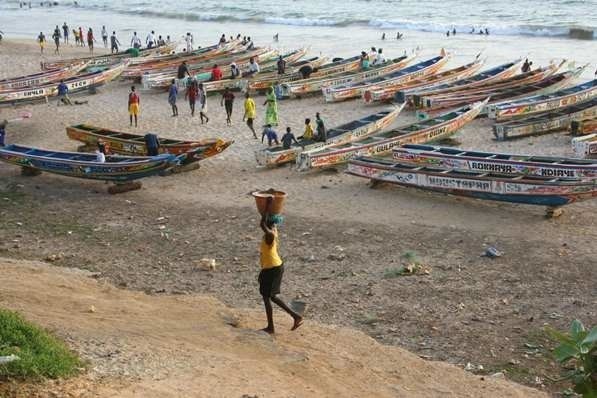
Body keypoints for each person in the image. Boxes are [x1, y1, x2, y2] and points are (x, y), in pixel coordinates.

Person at [258, 198, 303, 334]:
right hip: (275, 266)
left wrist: (266, 205)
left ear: (268, 223)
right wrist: (269, 206)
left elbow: (261, 224)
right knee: (272, 296)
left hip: (272, 268)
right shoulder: (274, 229)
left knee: (267, 297)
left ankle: (271, 327)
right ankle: (296, 316)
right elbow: (264, 221)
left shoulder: (270, 234)